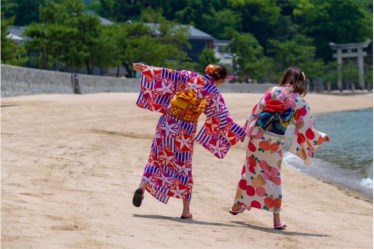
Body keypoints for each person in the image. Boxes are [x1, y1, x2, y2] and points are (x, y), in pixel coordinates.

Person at [132, 62, 245, 219]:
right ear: (221, 80)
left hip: (167, 122)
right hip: (185, 132)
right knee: (183, 167)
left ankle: (142, 187)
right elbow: (223, 118)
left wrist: (145, 68)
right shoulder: (213, 93)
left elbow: (168, 74)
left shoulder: (189, 76)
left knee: (156, 157)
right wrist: (241, 133)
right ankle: (185, 211)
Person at [229, 66, 330, 229]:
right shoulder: (300, 102)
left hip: (258, 137)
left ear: (286, 78)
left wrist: (245, 131)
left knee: (249, 170)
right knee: (273, 176)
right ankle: (276, 220)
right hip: (275, 142)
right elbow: (306, 129)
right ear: (301, 81)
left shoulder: (274, 91)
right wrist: (321, 137)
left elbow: (256, 111)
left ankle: (236, 205)